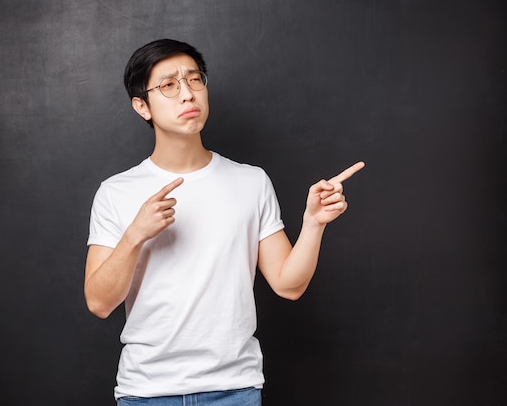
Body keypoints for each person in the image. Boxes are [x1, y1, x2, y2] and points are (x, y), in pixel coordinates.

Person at [84, 39, 364, 406]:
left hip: (234, 390)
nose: (186, 94)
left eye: (194, 79)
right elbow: (99, 302)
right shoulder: (116, 192)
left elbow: (288, 285)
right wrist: (135, 235)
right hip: (147, 392)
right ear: (142, 106)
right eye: (168, 85)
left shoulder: (251, 181)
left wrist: (313, 224)